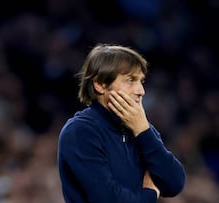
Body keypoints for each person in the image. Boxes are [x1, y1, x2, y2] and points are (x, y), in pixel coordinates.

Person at [57, 43, 186, 203]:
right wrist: (150, 195)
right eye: (130, 80)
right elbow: (108, 199)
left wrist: (144, 132)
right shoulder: (80, 131)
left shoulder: (140, 128)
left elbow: (174, 183)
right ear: (100, 84)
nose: (141, 91)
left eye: (141, 81)